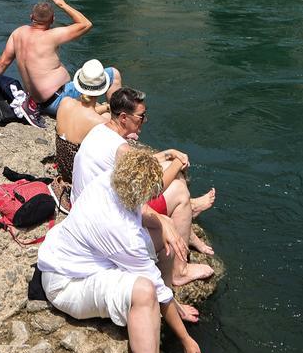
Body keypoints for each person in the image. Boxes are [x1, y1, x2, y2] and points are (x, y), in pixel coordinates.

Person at [36, 145, 204, 353]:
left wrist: (166, 160)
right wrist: (187, 340)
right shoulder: (124, 235)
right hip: (66, 284)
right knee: (144, 291)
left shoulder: (111, 179)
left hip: (66, 257)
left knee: (153, 250)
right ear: (144, 194)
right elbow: (160, 294)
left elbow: (140, 174)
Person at [73, 86, 216, 286]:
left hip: (87, 205)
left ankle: (186, 225)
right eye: (141, 116)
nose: (145, 120)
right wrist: (176, 164)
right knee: (180, 190)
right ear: (124, 117)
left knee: (169, 168)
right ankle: (179, 270)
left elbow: (136, 166)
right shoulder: (121, 148)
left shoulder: (101, 130)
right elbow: (151, 189)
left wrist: (167, 155)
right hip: (105, 218)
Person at [0, 0, 115, 113]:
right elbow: (86, 24)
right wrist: (62, 4)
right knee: (114, 73)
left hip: (34, 103)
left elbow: (3, 63)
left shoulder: (17, 33)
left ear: (31, 17)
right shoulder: (52, 36)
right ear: (53, 19)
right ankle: (117, 114)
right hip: (57, 101)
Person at [55, 65, 115, 183]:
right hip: (79, 178)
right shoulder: (102, 123)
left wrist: (106, 107)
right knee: (108, 117)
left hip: (63, 170)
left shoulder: (65, 102)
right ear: (102, 88)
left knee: (106, 114)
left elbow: (84, 114)